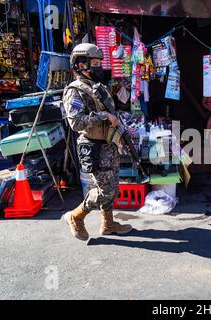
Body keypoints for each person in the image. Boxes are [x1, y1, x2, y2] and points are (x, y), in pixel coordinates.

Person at [62, 43, 132, 241]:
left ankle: (108, 223)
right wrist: (102, 116)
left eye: (99, 63)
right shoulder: (75, 91)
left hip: (108, 144)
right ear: (80, 65)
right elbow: (75, 122)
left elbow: (113, 113)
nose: (98, 67)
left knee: (112, 186)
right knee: (106, 190)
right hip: (93, 146)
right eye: (94, 63)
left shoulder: (97, 87)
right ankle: (75, 216)